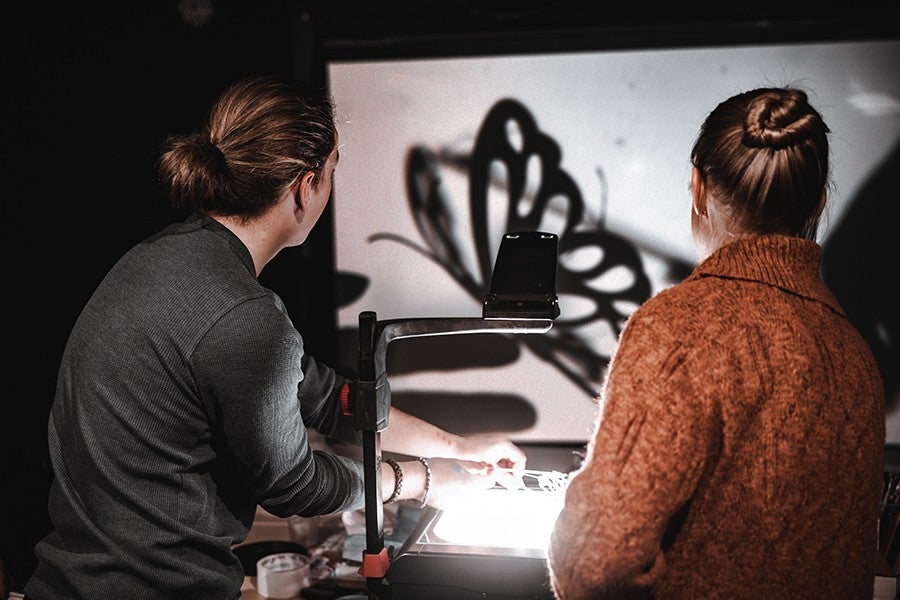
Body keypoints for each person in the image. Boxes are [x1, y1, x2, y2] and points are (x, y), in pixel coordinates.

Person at [24, 75, 526, 600]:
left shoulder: (157, 259)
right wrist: (423, 480)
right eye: (332, 173)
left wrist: (457, 447)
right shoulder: (244, 315)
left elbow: (324, 397)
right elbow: (296, 486)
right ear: (305, 187)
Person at [547, 87, 885, 599]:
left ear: (698, 188)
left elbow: (594, 558)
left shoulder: (679, 328)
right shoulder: (855, 358)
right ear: (818, 202)